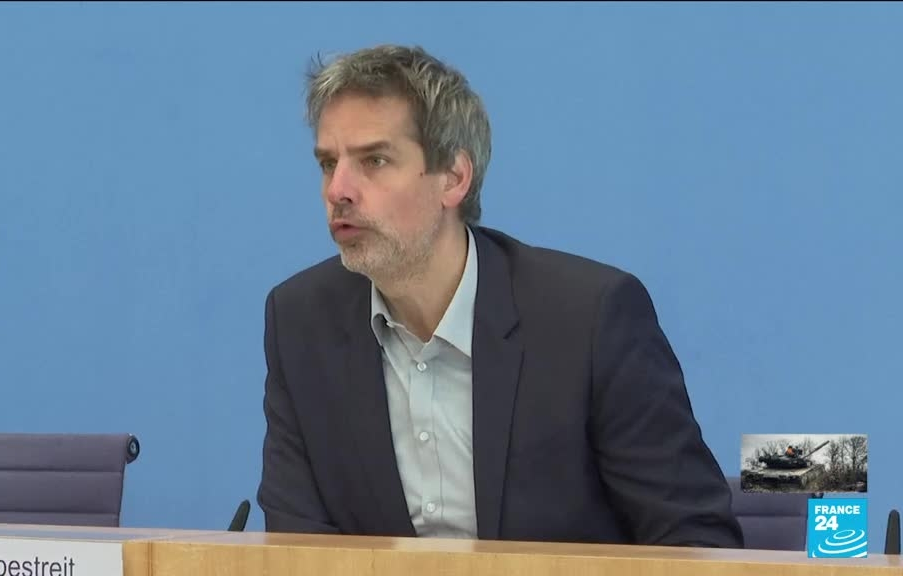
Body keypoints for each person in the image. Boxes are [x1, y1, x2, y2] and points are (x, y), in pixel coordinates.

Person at [256, 44, 743, 548]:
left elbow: (696, 541)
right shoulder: (300, 323)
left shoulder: (587, 320)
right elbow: (297, 547)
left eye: (374, 160)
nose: (337, 190)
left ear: (454, 178)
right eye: (327, 163)